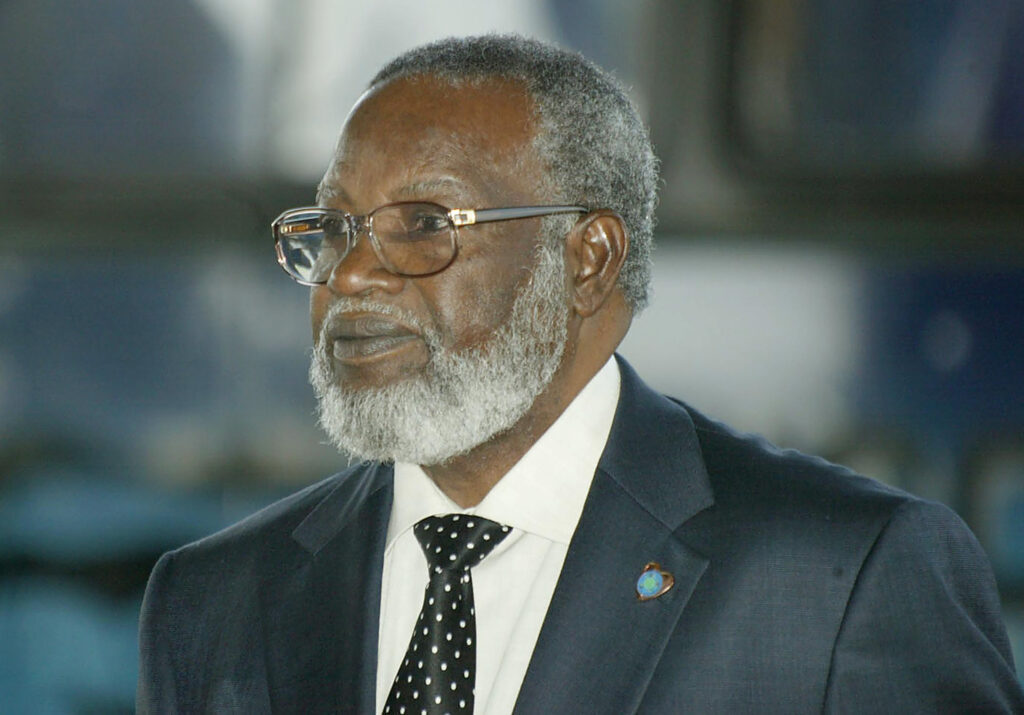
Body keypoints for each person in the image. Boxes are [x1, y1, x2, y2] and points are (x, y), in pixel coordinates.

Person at [137, 35, 1023, 713]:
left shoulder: (843, 578)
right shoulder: (214, 600)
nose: (353, 274)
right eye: (332, 228)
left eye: (423, 223)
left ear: (588, 259)